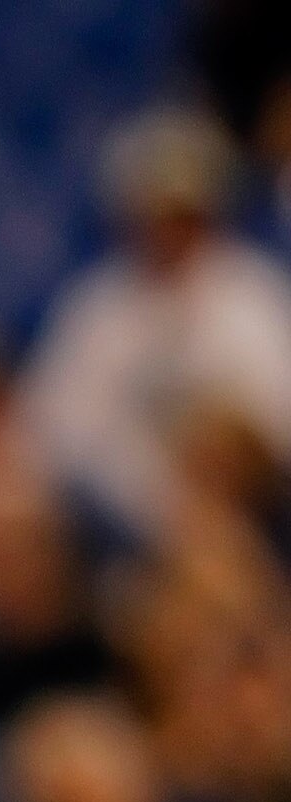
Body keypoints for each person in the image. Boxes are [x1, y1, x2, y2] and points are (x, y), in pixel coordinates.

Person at [19, 107, 291, 546]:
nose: (166, 232)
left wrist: (226, 454)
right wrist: (159, 496)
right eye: (153, 216)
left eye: (180, 215)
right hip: (126, 529)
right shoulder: (99, 306)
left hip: (254, 520)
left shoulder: (252, 295)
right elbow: (57, 430)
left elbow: (278, 420)